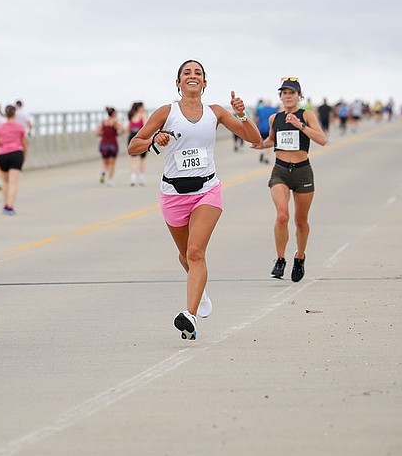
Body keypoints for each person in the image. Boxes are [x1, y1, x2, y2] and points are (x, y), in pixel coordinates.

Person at [127, 59, 260, 340]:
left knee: (196, 252)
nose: (192, 76)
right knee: (185, 254)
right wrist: (154, 141)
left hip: (207, 191)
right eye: (186, 73)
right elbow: (133, 146)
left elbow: (254, 138)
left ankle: (189, 316)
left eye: (197, 73)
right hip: (173, 194)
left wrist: (243, 114)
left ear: (204, 83)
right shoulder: (166, 112)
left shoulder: (215, 113)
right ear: (178, 83)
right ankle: (200, 291)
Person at [252, 77, 327, 282]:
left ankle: (300, 257)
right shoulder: (274, 118)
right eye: (284, 93)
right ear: (280, 96)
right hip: (280, 171)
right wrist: (260, 144)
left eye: (291, 93)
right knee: (282, 216)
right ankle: (280, 259)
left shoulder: (306, 115)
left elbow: (322, 139)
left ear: (299, 96)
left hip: (302, 171)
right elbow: (272, 141)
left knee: (300, 221)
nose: (288, 96)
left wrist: (299, 124)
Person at [0, 104, 27, 214]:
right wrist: (24, 155)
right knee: (13, 182)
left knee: (5, 181)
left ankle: (5, 204)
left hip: (2, 154)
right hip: (16, 153)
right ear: (14, 114)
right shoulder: (20, 127)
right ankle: (10, 206)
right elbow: (24, 143)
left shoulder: (0, 128)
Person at [96, 106, 124, 186]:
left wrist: (104, 134)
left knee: (105, 162)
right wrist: (117, 134)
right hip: (112, 144)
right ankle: (110, 180)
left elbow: (97, 133)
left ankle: (104, 172)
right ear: (114, 113)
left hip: (103, 144)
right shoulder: (115, 122)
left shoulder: (103, 122)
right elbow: (122, 129)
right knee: (112, 163)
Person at [127, 101, 149, 186]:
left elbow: (129, 128)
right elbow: (146, 126)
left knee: (133, 159)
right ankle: (141, 177)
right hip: (141, 138)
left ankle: (133, 177)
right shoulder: (143, 115)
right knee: (142, 159)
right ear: (140, 107)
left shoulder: (131, 116)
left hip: (132, 137)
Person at [254, 98, 275, 164]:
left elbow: (257, 119)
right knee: (270, 142)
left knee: (262, 141)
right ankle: (266, 157)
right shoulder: (273, 109)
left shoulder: (260, 110)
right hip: (270, 128)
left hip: (261, 128)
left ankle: (262, 152)